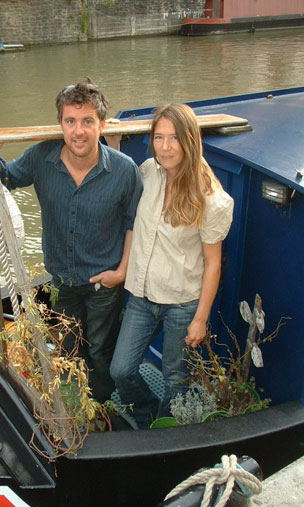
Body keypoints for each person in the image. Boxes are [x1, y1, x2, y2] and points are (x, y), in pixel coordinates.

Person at [0, 79, 142, 402]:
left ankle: (102, 408)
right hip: (60, 281)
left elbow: (134, 223)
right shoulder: (41, 158)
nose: (78, 131)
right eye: (70, 121)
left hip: (103, 284)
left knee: (101, 352)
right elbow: (3, 177)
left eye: (87, 122)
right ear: (60, 124)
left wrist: (121, 272)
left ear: (101, 125)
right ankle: (75, 404)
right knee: (68, 349)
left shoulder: (124, 171)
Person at [109, 103, 234, 429]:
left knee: (175, 380)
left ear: (190, 140)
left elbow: (212, 263)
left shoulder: (211, 199)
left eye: (174, 138)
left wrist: (201, 319)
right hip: (141, 297)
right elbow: (117, 179)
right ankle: (145, 411)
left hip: (182, 303)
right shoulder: (150, 171)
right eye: (159, 137)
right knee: (121, 369)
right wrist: (110, 143)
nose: (164, 147)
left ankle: (164, 433)